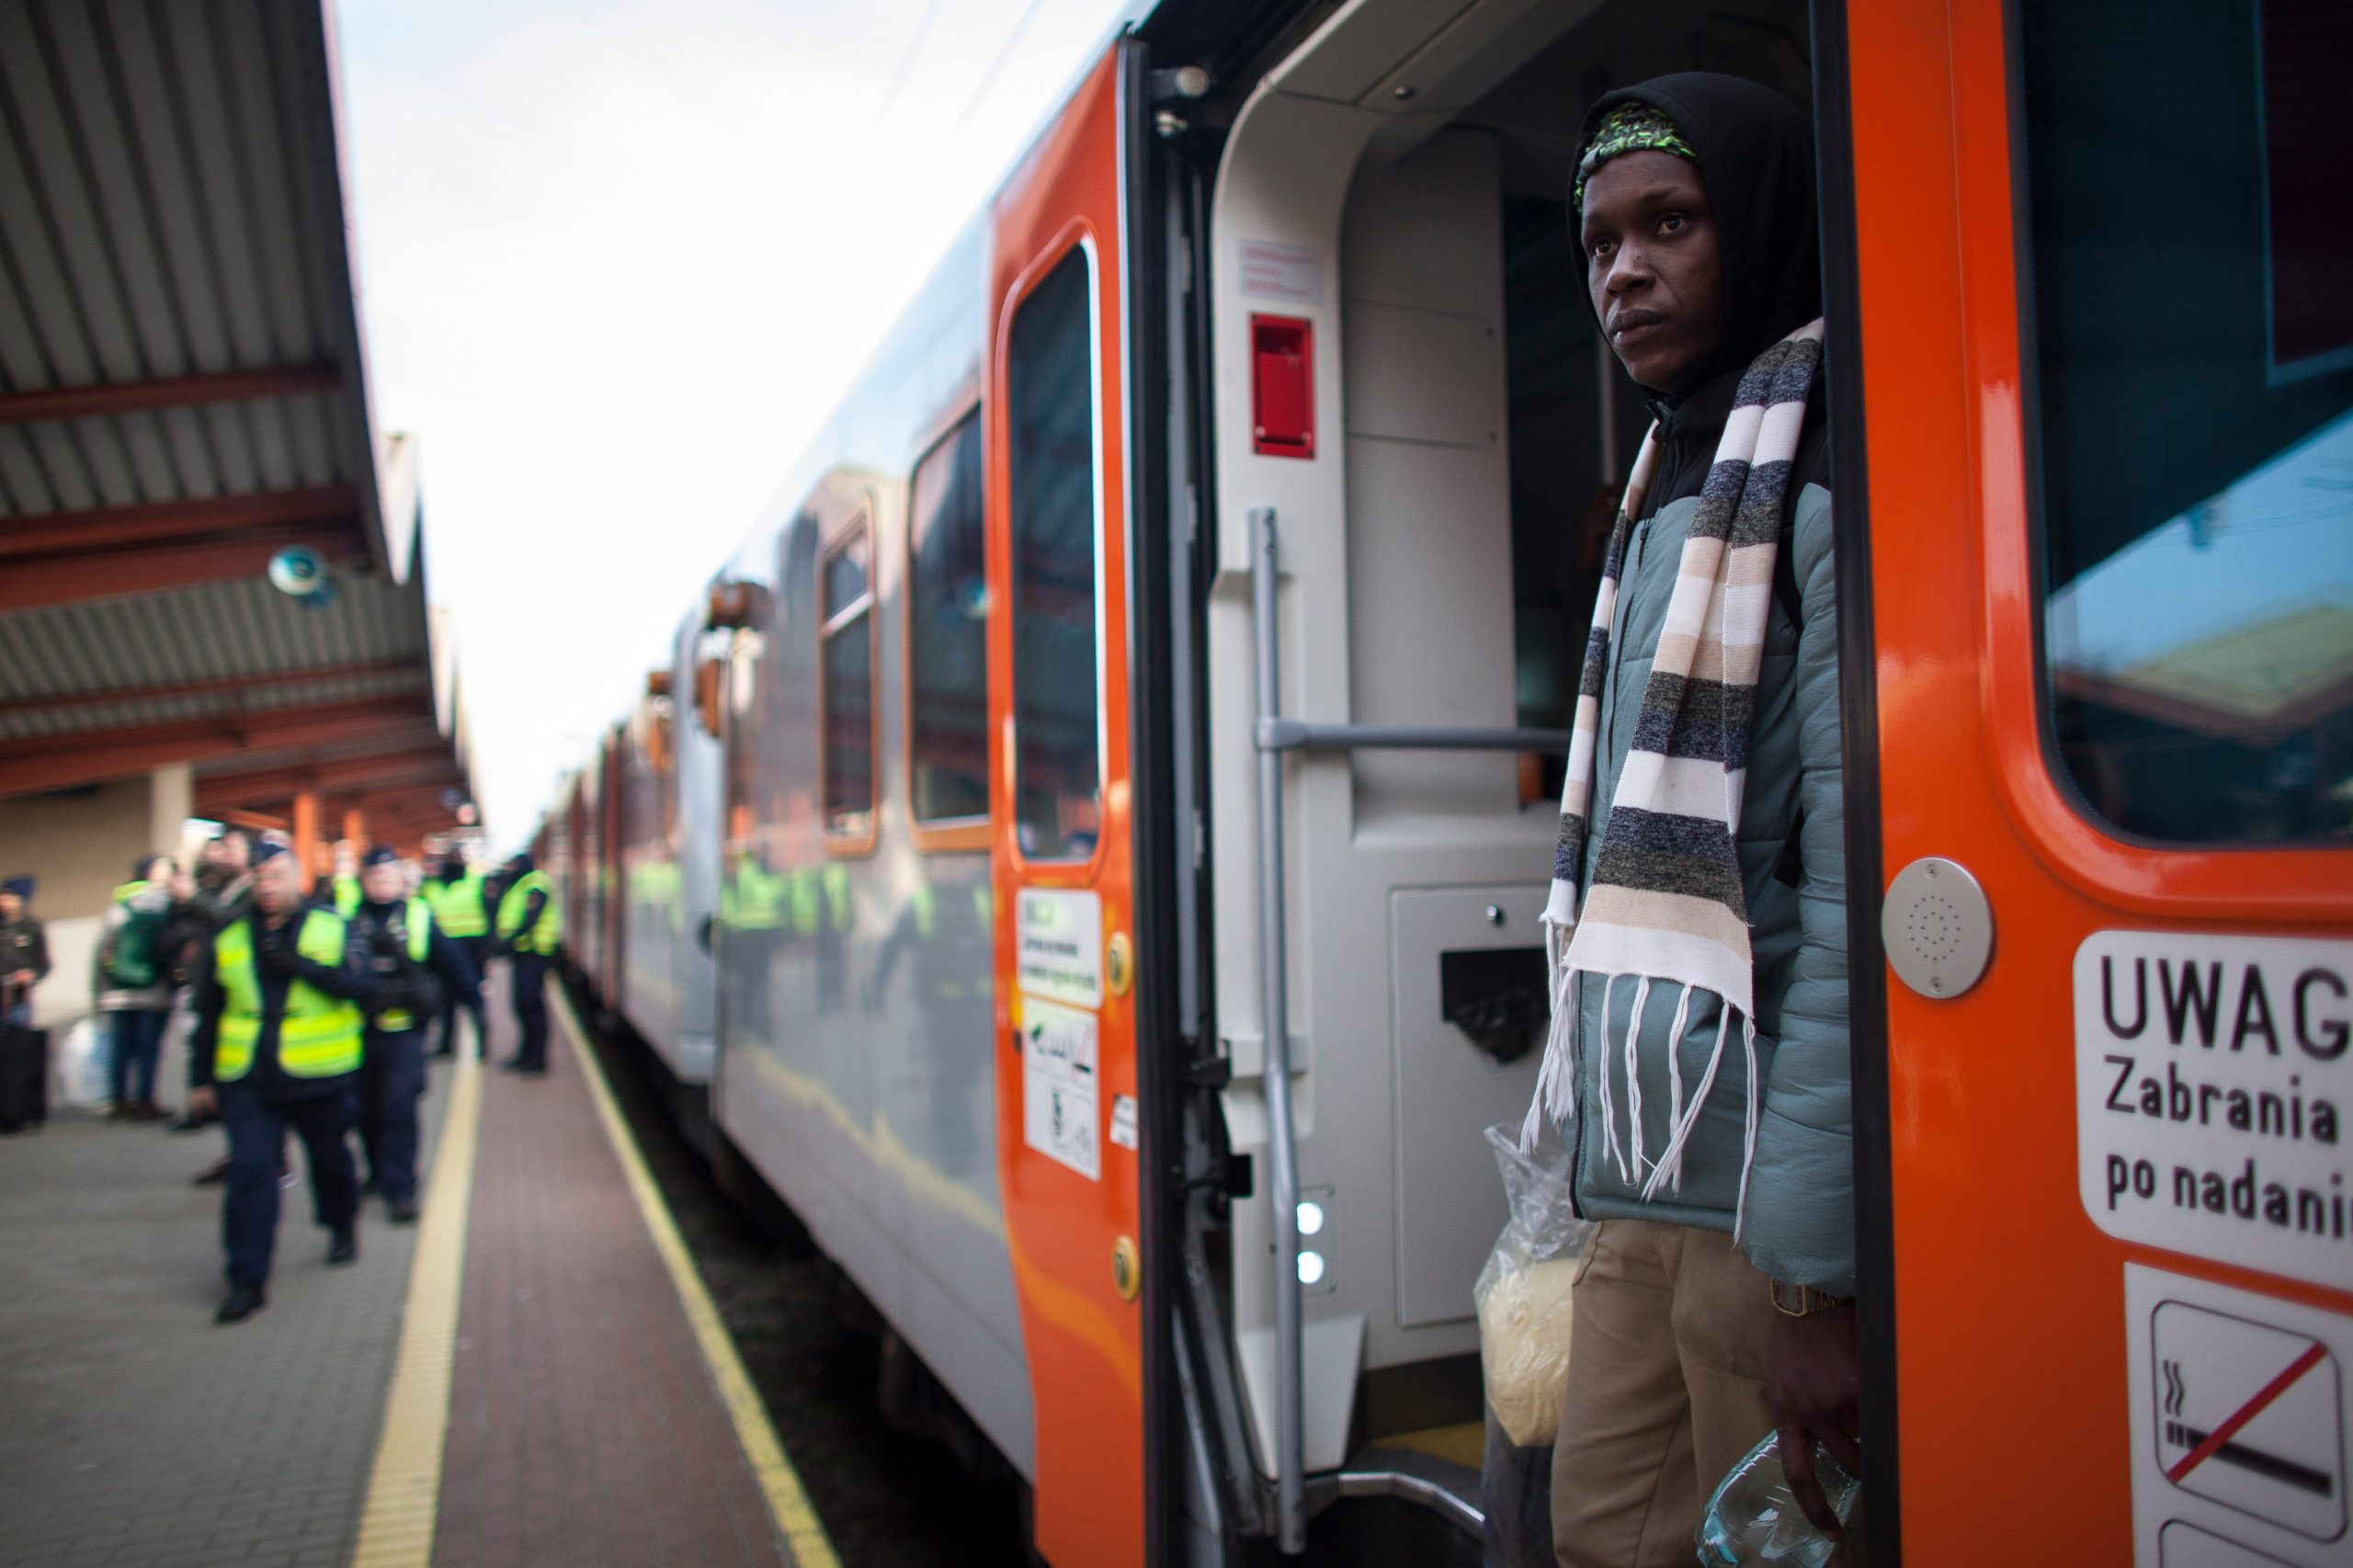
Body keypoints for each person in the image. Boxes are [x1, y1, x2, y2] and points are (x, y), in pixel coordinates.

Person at [1528, 75, 1855, 1564]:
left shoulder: (1822, 467)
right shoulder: (1667, 478)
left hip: (1760, 1216)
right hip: (1640, 1173)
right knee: (1599, 1532)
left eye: (1672, 222)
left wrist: (1812, 1279)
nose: (1625, 270)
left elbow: (1844, 894)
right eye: (1600, 241)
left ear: (1762, 224)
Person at [184, 842, 376, 1324]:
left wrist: (302, 967)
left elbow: (366, 990)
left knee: (330, 1161)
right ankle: (246, 1281)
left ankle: (341, 1226)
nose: (268, 887)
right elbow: (207, 1011)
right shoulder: (228, 936)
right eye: (260, 877)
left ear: (297, 876)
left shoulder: (334, 926)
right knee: (251, 1172)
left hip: (319, 1077)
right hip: (248, 1079)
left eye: (278, 875)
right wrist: (200, 1079)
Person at [347, 846, 477, 1222]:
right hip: (360, 1033)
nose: (383, 884)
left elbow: (453, 962)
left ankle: (402, 1188)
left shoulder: (418, 916)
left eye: (389, 877)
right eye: (375, 877)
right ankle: (376, 1172)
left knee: (399, 1108)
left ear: (400, 880)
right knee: (365, 1111)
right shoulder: (347, 921)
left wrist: (476, 1004)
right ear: (364, 880)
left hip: (405, 1033)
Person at [95, 855, 178, 1121]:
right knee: (149, 1047)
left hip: (118, 990)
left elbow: (104, 948)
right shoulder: (165, 903)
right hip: (153, 990)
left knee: (121, 1047)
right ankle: (145, 1102)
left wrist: (98, 991)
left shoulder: (120, 902)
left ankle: (118, 1101)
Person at [492, 852, 562, 1074]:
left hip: (535, 952)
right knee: (520, 1004)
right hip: (522, 954)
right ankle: (525, 1054)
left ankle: (537, 1058)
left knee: (531, 1005)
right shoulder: (520, 885)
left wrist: (507, 942)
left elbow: (530, 918)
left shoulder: (536, 884)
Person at [419, 854, 492, 1060]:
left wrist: (487, 949)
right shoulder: (431, 886)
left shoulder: (475, 882)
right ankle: (446, 1044)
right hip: (441, 952)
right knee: (445, 1001)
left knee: (472, 997)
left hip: (471, 952)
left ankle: (482, 1043)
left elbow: (490, 913)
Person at [1, 876, 50, 1028]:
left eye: (8, 896)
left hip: (19, 999)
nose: (2, 899)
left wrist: (30, 975)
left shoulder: (32, 927)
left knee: (19, 1040)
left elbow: (44, 964)